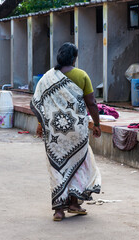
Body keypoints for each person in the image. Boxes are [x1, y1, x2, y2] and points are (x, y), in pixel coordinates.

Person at [30, 42, 101, 221]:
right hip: (77, 129)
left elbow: (38, 103)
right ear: (74, 58)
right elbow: (91, 103)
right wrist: (97, 124)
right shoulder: (82, 75)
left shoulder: (47, 77)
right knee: (77, 163)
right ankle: (74, 203)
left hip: (54, 132)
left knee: (57, 167)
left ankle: (59, 210)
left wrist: (40, 123)